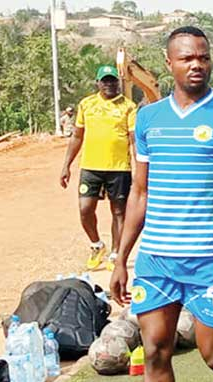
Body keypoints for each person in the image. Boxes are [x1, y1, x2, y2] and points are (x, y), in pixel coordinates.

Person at [110, 26, 213, 382]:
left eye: (202, 57)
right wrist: (121, 258)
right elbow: (140, 191)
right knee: (155, 352)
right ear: (169, 63)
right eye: (186, 58)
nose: (196, 65)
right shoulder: (148, 119)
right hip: (157, 260)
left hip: (211, 259)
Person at [60, 65, 137, 271]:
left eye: (113, 80)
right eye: (105, 80)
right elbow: (77, 136)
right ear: (98, 83)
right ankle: (96, 245)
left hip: (119, 168)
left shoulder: (128, 107)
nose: (110, 84)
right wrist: (66, 165)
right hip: (90, 167)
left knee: (119, 211)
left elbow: (134, 140)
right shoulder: (87, 104)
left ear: (118, 82)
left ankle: (115, 254)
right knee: (85, 209)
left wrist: (139, 170)